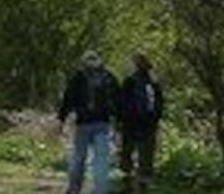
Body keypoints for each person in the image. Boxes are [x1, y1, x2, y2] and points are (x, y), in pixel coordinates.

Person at [58, 50, 119, 194]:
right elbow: (118, 102)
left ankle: (74, 190)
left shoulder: (79, 77)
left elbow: (68, 99)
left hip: (83, 123)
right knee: (101, 161)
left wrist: (61, 119)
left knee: (78, 158)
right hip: (103, 124)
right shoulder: (109, 77)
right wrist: (119, 125)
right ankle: (101, 190)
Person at [118, 53, 165, 194]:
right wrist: (155, 119)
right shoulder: (154, 83)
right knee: (146, 154)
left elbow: (121, 103)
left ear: (135, 66)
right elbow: (160, 104)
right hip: (149, 124)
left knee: (127, 152)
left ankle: (128, 183)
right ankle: (144, 185)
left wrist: (121, 120)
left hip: (131, 123)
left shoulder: (129, 81)